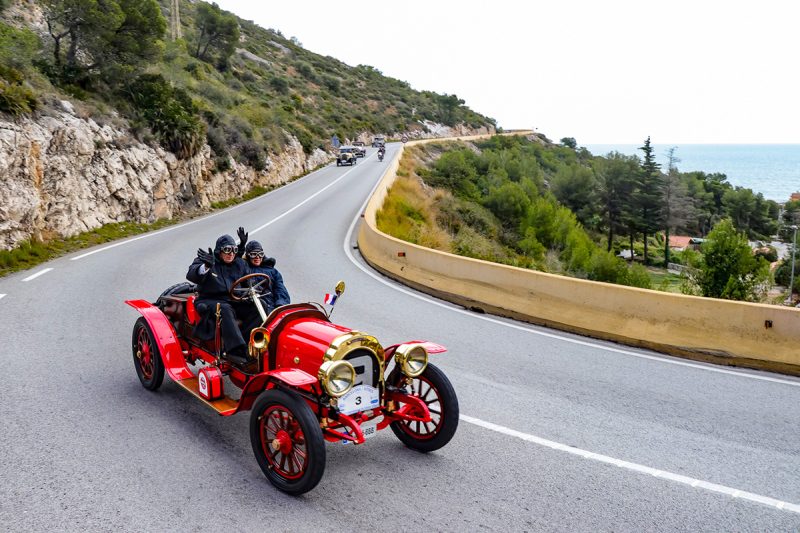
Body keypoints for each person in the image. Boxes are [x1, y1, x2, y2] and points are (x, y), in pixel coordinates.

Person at [186, 234, 252, 365]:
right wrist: (206, 266)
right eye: (227, 250)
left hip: (234, 299)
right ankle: (235, 351)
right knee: (225, 309)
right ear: (219, 251)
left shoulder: (240, 263)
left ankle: (253, 343)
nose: (231, 253)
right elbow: (191, 274)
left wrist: (250, 294)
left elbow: (249, 282)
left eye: (233, 250)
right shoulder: (207, 260)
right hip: (209, 299)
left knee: (257, 305)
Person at [237, 227, 290, 318]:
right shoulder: (244, 268)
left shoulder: (273, 271)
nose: (257, 257)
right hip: (253, 307)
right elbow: (235, 263)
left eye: (260, 254)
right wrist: (241, 245)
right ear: (248, 256)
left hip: (273, 306)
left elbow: (280, 289)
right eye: (253, 254)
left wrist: (280, 305)